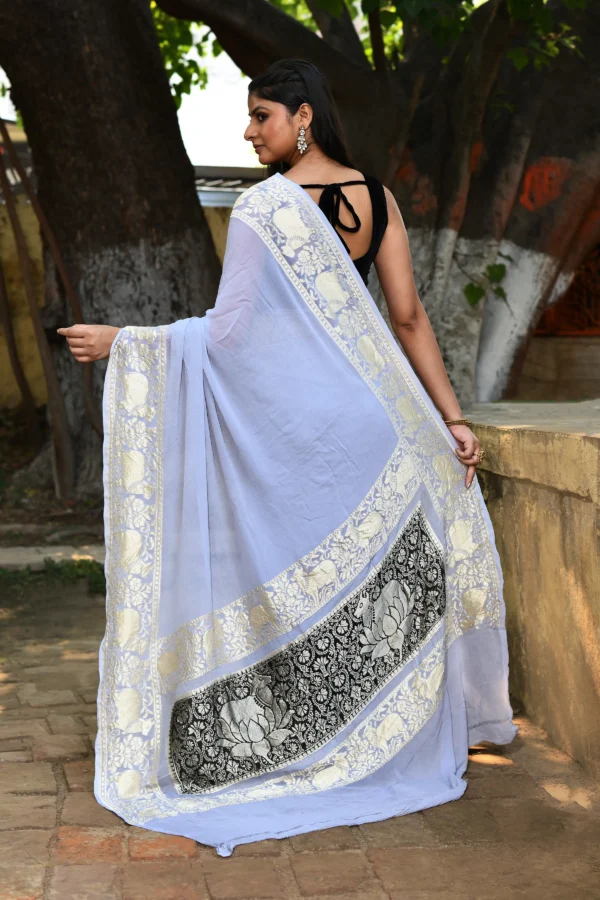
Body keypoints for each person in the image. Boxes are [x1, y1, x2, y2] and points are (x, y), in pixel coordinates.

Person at [59, 58, 516, 857]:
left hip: (303, 438)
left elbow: (230, 335)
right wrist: (450, 418)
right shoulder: (376, 197)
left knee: (289, 587)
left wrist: (127, 342)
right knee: (353, 586)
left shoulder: (264, 208)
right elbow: (408, 319)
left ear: (302, 116)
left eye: (260, 116)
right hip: (373, 427)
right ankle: (375, 739)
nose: (248, 131)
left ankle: (299, 741)